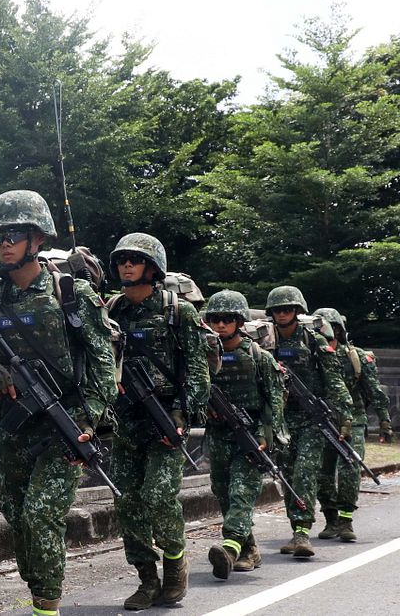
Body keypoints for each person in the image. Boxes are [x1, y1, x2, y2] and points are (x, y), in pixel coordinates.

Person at [0, 190, 118, 616]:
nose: (3, 244)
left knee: (41, 514)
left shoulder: (72, 293)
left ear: (37, 239)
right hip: (15, 426)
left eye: (13, 234)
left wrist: (89, 419)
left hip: (66, 425)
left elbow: (103, 364)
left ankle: (47, 608)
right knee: (15, 512)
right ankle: (38, 592)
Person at [106, 233, 210, 609]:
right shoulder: (111, 311)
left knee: (159, 496)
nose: (126, 265)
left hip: (165, 417)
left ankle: (175, 560)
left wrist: (182, 414)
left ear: (153, 267)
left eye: (135, 259)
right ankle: (146, 580)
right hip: (125, 421)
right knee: (127, 501)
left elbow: (197, 371)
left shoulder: (177, 311)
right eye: (121, 260)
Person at [263, 286, 352, 559]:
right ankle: (295, 527)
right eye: (277, 310)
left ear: (298, 311)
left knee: (304, 471)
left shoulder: (315, 341)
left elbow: (334, 381)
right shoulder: (265, 342)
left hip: (312, 419)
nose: (282, 314)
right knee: (288, 474)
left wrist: (345, 415)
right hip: (281, 420)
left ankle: (303, 531)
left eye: (287, 309)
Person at [202, 290, 285, 580]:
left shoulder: (258, 357)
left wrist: (266, 434)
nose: (220, 325)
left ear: (239, 322)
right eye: (214, 319)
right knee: (222, 491)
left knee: (241, 491)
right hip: (218, 435)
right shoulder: (204, 358)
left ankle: (230, 547)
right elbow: (196, 395)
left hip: (250, 435)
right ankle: (249, 549)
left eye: (227, 320)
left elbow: (274, 400)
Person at [313, 307, 393, 542]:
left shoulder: (355, 356)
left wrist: (385, 421)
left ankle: (346, 519)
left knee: (350, 469)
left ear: (338, 329)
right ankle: (331, 518)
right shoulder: (312, 356)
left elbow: (374, 390)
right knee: (321, 473)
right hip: (322, 420)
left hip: (354, 419)